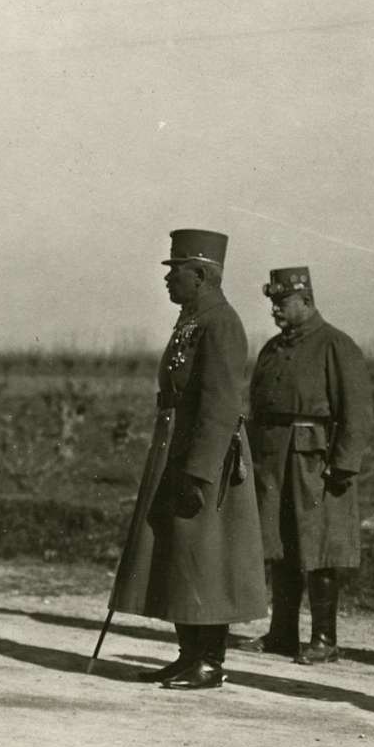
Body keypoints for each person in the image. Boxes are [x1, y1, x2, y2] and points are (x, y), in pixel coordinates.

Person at [106, 229, 265, 690]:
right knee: (179, 552)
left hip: (204, 457)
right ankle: (188, 656)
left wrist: (200, 472)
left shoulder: (221, 323)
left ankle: (210, 662)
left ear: (200, 275)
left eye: (174, 270)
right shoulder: (193, 319)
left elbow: (220, 404)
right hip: (176, 447)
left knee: (205, 557)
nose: (167, 279)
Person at [247, 266, 372, 664]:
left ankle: (324, 639)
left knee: (320, 549)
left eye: (282, 302)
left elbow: (357, 412)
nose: (275, 310)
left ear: (306, 300)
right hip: (274, 462)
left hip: (316, 464)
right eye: (272, 303)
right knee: (280, 545)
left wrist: (344, 464)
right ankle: (282, 633)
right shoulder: (271, 349)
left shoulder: (336, 345)